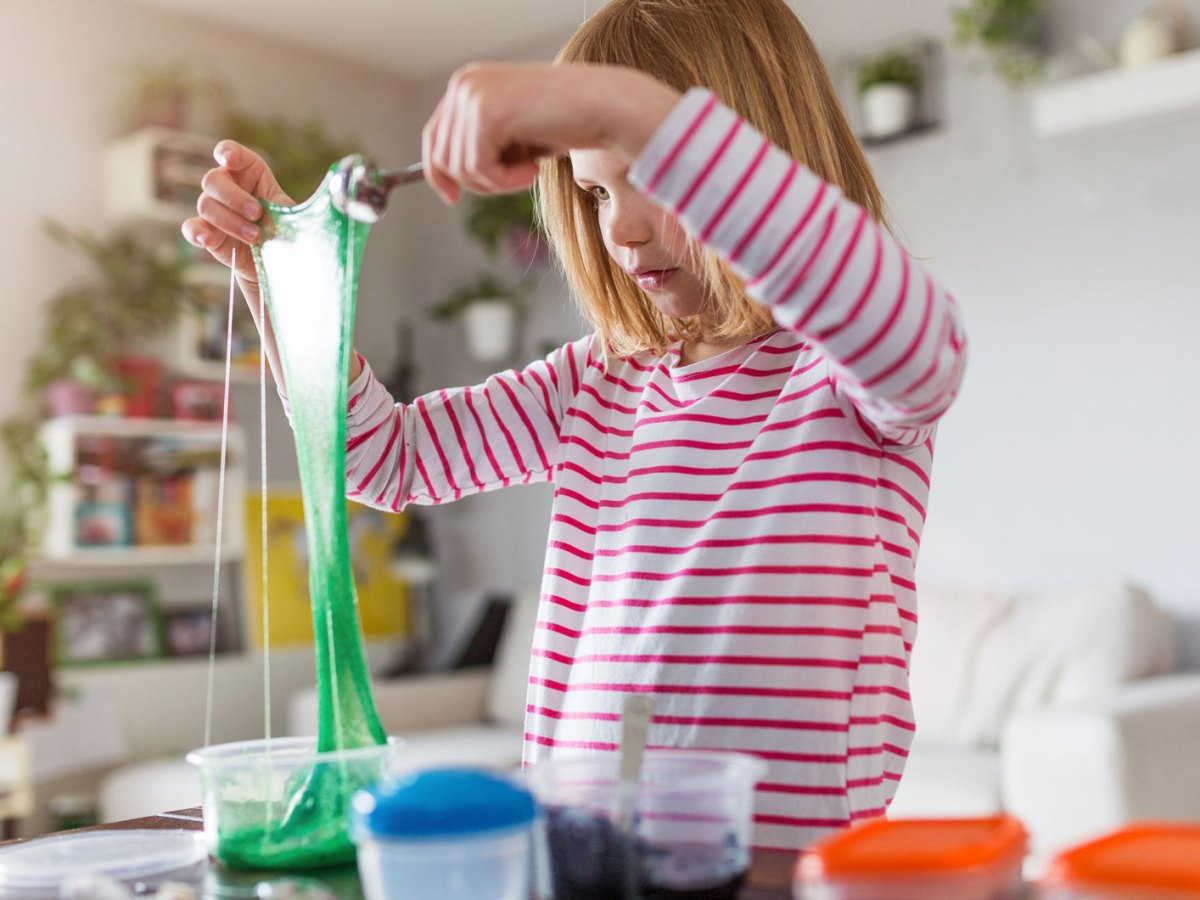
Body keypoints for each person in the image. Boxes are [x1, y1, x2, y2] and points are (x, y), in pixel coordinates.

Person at [183, 0, 966, 854]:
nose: (622, 227)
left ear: (757, 160)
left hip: (779, 871)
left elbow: (917, 338)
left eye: (656, 178)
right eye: (595, 189)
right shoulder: (599, 380)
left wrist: (626, 111)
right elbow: (383, 457)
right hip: (580, 856)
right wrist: (283, 286)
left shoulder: (843, 376)